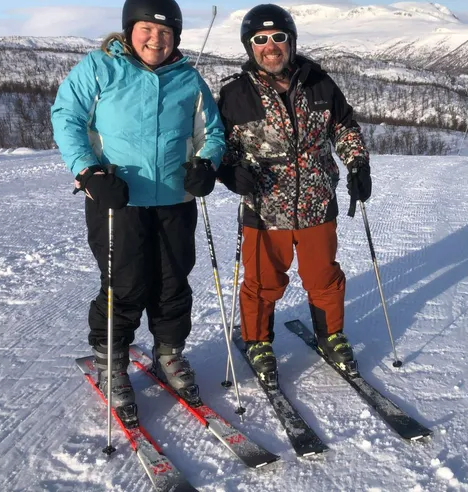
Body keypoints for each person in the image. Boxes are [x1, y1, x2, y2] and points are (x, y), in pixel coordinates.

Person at [51, 0, 225, 420]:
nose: (156, 39)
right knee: (125, 283)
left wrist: (207, 164)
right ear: (130, 29)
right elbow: (66, 117)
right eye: (147, 28)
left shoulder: (188, 77)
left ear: (176, 38)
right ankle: (111, 360)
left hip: (174, 200)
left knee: (172, 280)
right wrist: (88, 172)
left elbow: (212, 132)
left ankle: (168, 352)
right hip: (118, 199)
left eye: (165, 32)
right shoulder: (100, 67)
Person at [216, 4, 372, 382]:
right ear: (250, 46)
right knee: (262, 282)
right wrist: (228, 172)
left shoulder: (319, 83)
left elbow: (344, 127)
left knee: (324, 277)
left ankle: (330, 335)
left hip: (317, 204)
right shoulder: (235, 95)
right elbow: (218, 147)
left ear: (292, 41)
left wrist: (358, 163)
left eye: (279, 37)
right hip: (264, 208)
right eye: (261, 39)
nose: (271, 46)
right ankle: (257, 341)